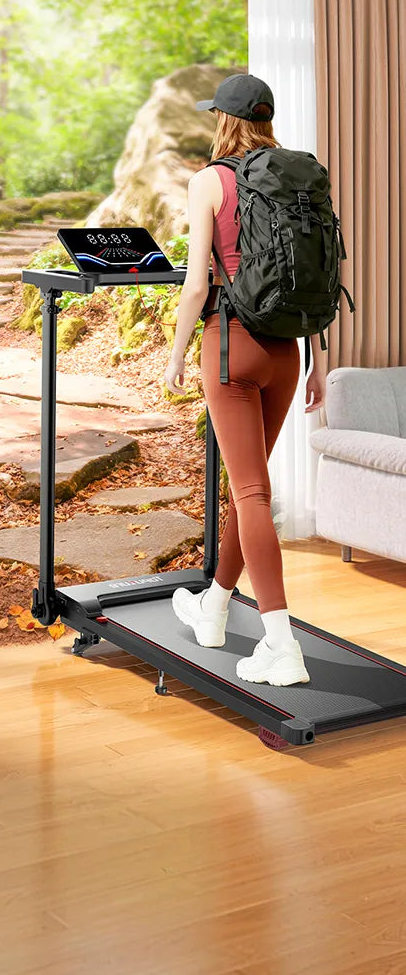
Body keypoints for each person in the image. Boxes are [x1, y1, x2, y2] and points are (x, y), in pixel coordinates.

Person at [164, 73, 325, 687]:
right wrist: (319, 364)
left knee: (251, 493)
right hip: (287, 351)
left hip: (231, 348)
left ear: (223, 120)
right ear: (267, 119)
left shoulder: (210, 180)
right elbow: (310, 273)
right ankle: (215, 605)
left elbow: (198, 283)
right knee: (250, 487)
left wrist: (177, 353)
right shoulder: (298, 179)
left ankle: (281, 644)